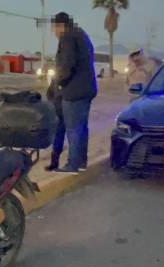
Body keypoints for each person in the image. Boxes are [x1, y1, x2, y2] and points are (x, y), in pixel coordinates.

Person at [52, 12, 97, 174]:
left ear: (60, 26)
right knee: (82, 128)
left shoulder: (68, 36)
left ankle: (72, 164)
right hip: (87, 88)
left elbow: (67, 64)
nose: (54, 33)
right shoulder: (81, 34)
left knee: (73, 129)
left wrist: (59, 82)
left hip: (74, 90)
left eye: (55, 28)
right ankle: (81, 162)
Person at [45, 78, 66, 171]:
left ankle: (75, 163)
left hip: (68, 112)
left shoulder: (71, 78)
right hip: (57, 112)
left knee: (73, 137)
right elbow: (49, 93)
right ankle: (54, 163)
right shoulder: (55, 79)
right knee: (58, 137)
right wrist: (53, 103)